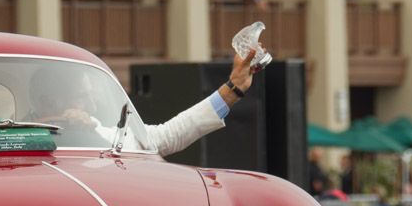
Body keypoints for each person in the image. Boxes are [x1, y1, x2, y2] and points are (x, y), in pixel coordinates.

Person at [29, 46, 264, 157]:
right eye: (81, 97)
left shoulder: (106, 135)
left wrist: (233, 89)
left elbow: (171, 133)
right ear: (48, 103)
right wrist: (62, 131)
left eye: (91, 96)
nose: (92, 106)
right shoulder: (9, 140)